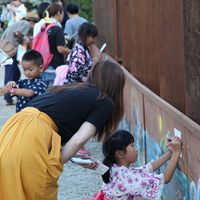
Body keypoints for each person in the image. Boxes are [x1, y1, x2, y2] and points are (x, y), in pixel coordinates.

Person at [0, 60, 125, 199]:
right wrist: (54, 165)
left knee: (10, 187)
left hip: (11, 128)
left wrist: (75, 156)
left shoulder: (73, 88)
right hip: (33, 133)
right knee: (37, 190)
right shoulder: (104, 101)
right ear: (117, 85)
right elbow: (78, 141)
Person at [85, 130, 182, 200]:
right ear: (119, 154)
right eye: (132, 145)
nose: (136, 149)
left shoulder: (114, 169)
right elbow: (165, 178)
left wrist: (170, 153)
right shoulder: (125, 177)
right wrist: (177, 152)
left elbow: (147, 168)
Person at [0, 12, 39, 105]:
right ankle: (8, 97)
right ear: (32, 22)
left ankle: (16, 94)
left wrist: (21, 40)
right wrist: (25, 40)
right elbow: (17, 33)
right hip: (9, 50)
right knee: (11, 72)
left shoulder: (19, 22)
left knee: (16, 72)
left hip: (6, 49)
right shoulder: (25, 23)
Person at [37, 3, 71, 86]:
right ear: (59, 13)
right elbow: (60, 49)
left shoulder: (44, 25)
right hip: (54, 68)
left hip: (43, 65)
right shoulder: (57, 28)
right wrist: (74, 52)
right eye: (63, 13)